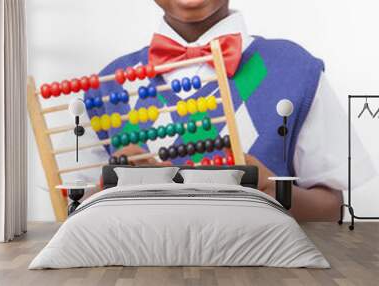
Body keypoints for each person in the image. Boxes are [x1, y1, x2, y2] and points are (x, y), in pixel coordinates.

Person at [84, 0, 375, 221]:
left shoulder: (296, 71)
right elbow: (73, 209)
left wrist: (270, 190)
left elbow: (331, 208)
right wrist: (113, 190)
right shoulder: (109, 86)